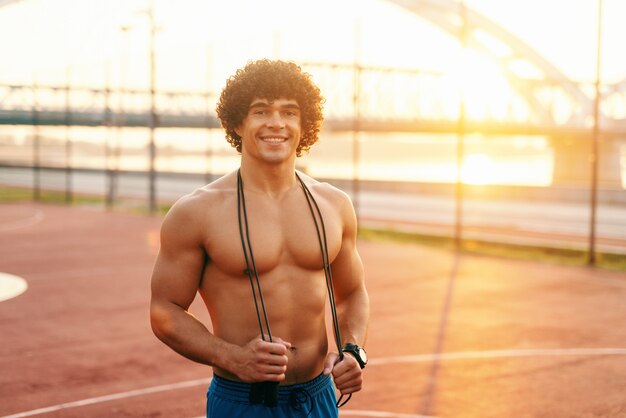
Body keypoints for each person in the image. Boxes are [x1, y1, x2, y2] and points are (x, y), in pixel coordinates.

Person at [150, 59, 370, 417]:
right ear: (238, 122)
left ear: (304, 125)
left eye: (289, 112)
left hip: (319, 396)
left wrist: (353, 349)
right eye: (261, 111)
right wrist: (232, 357)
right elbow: (165, 310)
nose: (276, 123)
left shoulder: (334, 205)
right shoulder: (196, 212)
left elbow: (353, 293)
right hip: (244, 399)